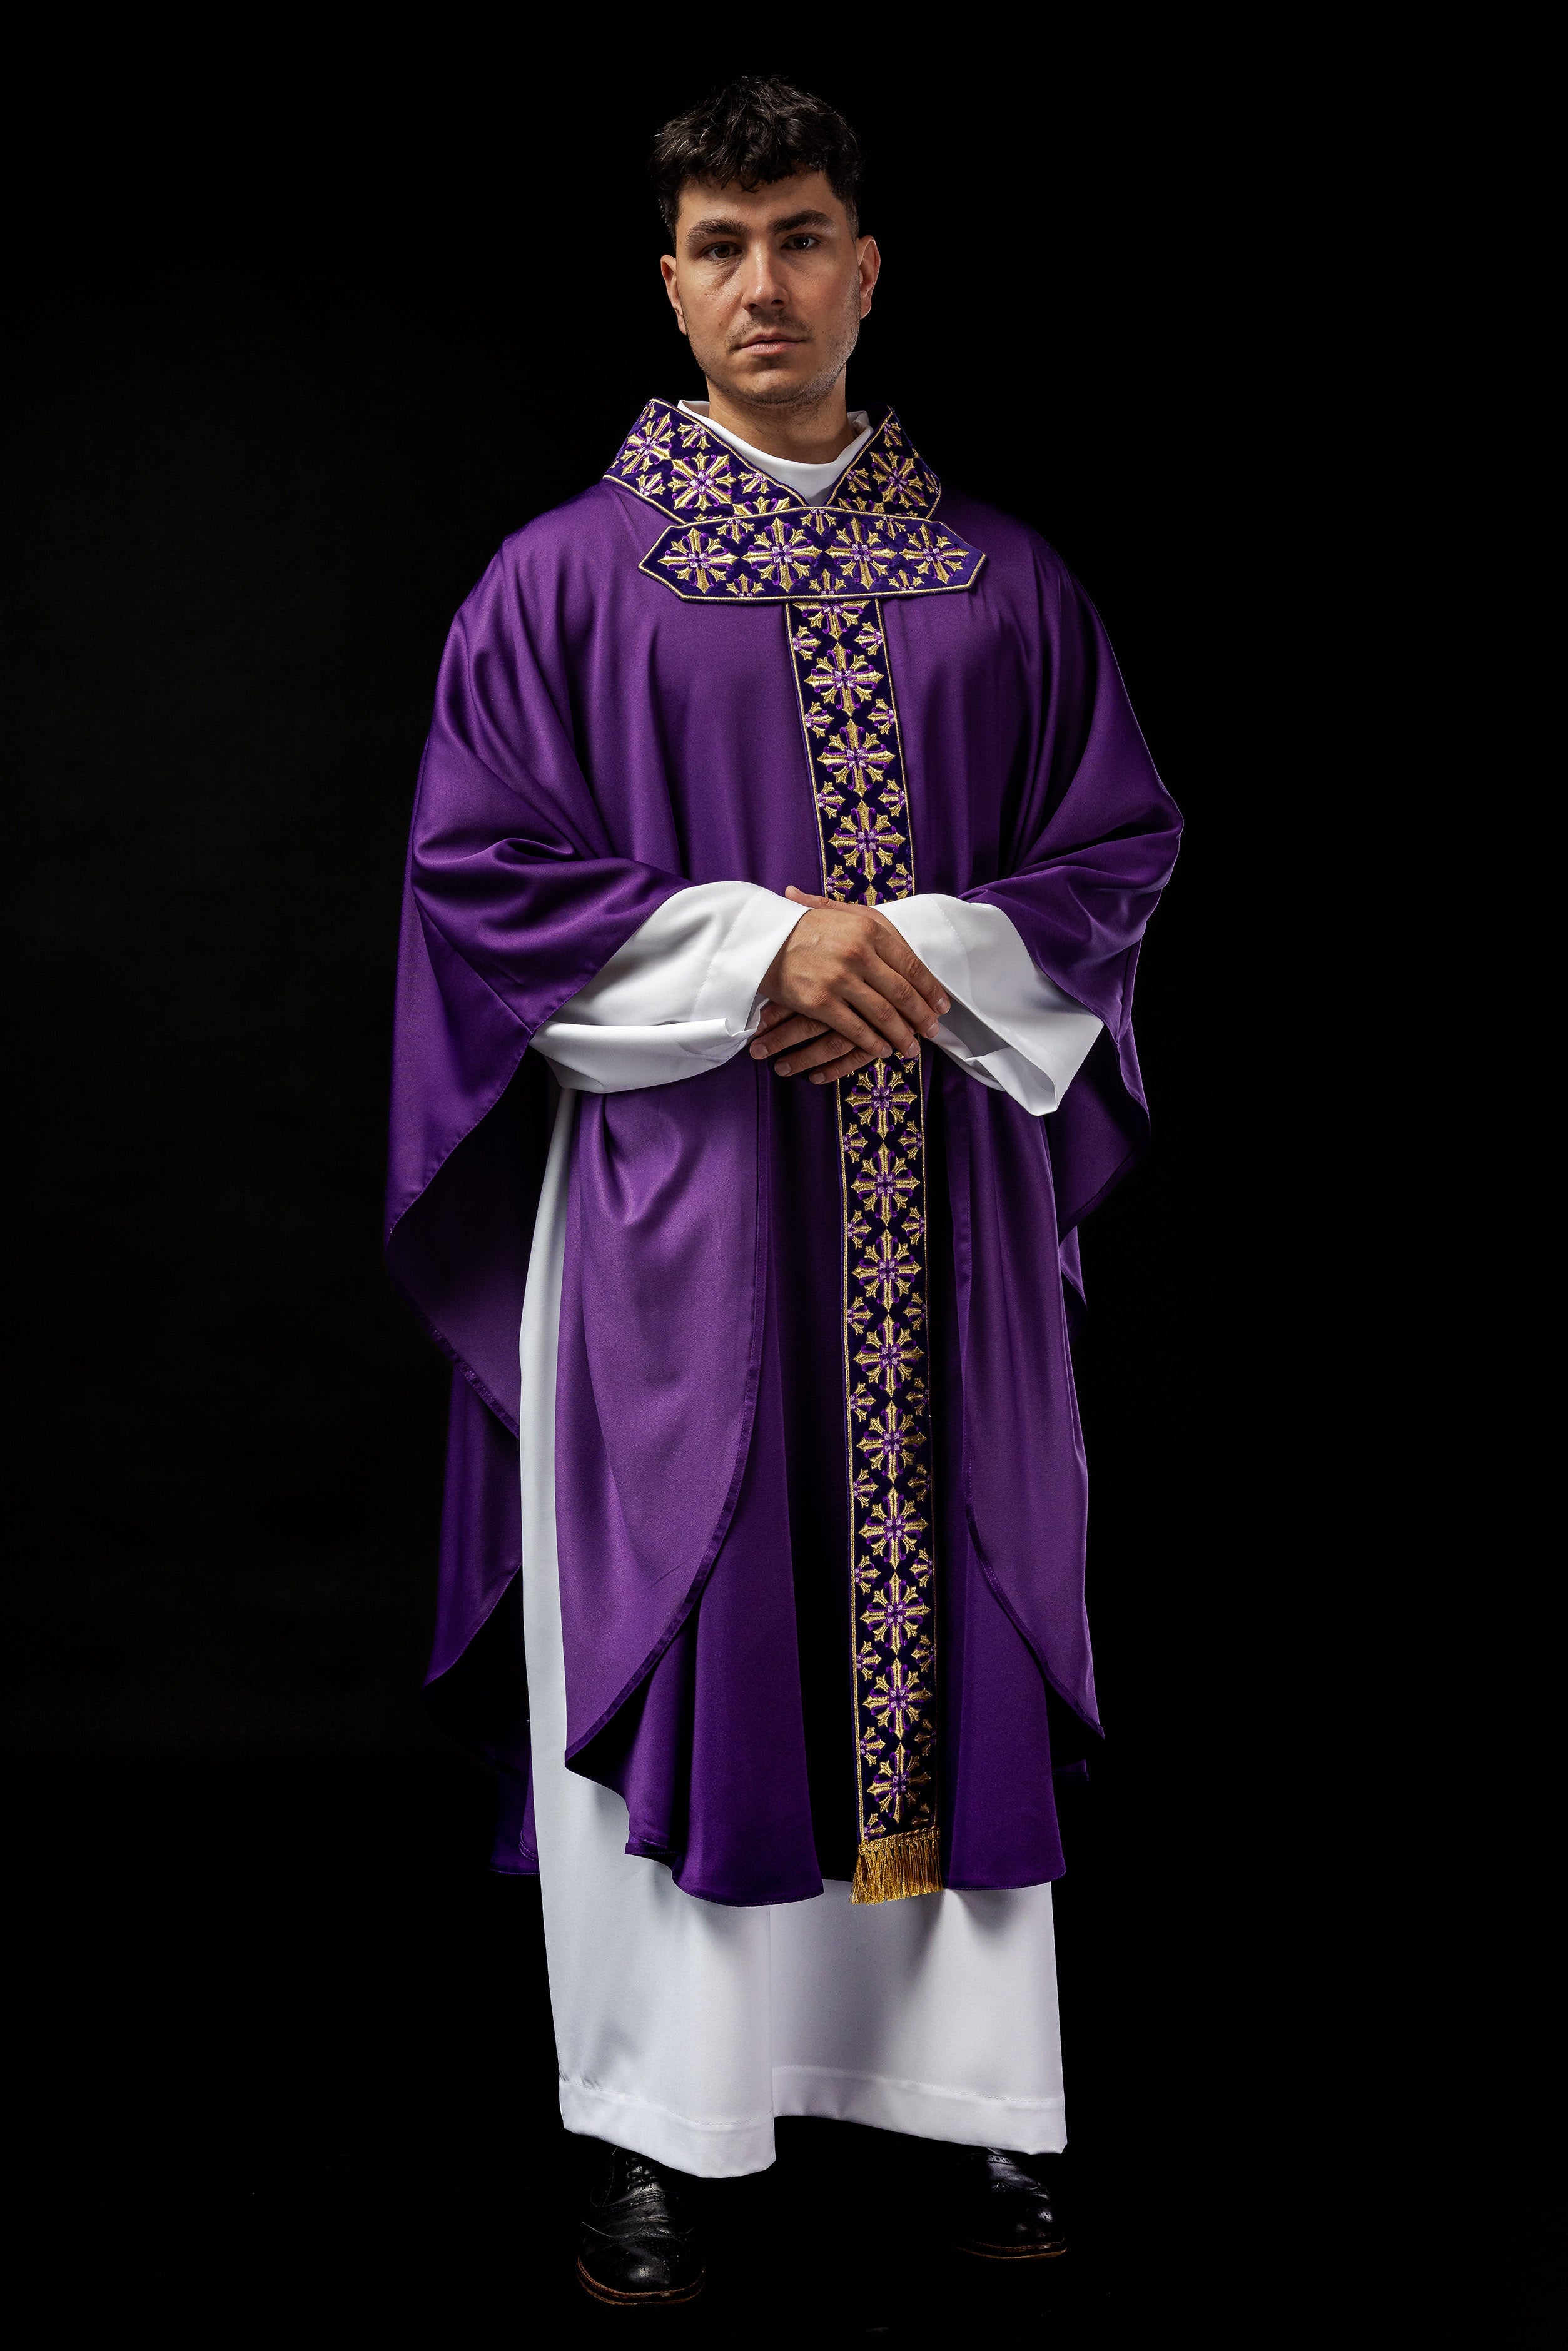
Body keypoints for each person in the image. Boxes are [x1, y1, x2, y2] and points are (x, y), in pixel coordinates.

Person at [386, 73, 1181, 2307]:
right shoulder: (558, 581)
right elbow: (479, 878)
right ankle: (658, 2120)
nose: (765, 284)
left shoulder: (1005, 584)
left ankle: (978, 2109)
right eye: (721, 246)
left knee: (973, 1603)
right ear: (668, 280)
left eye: (804, 236)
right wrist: (760, 952)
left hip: (948, 1226)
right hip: (676, 1222)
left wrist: (907, 956)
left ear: (864, 267)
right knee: (698, 1597)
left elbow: (1115, 855)